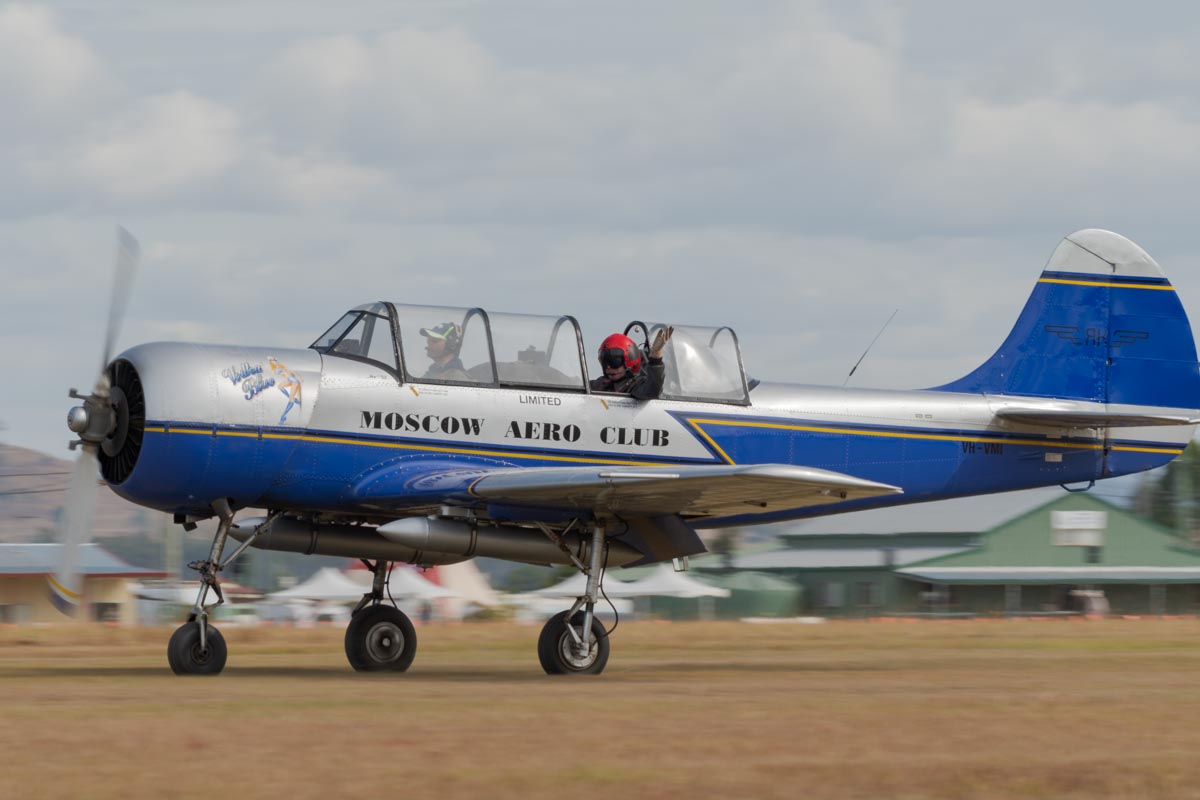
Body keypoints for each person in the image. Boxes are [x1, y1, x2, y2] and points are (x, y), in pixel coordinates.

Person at [590, 327, 673, 399]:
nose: (608, 367)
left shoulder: (634, 385)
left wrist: (656, 359)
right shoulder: (600, 384)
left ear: (629, 361)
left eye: (614, 361)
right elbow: (580, 387)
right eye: (605, 361)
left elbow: (652, 390)